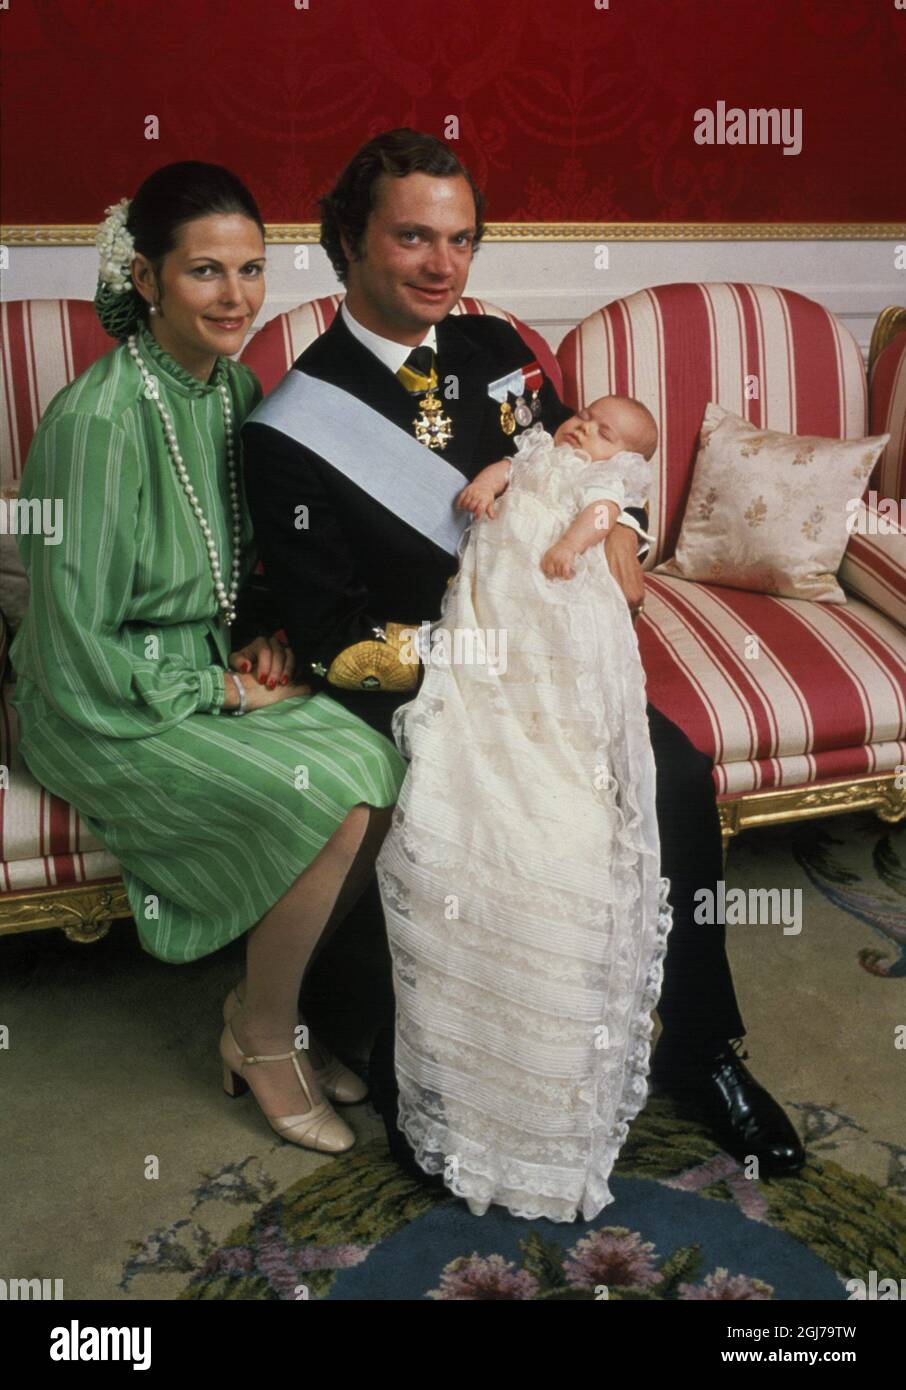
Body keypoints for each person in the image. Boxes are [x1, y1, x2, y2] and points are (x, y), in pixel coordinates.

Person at [242, 128, 805, 1186]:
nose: (441, 265)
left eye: (459, 240)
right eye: (412, 237)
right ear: (346, 245)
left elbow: (593, 473)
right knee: (493, 818)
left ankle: (698, 1046)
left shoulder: (498, 347)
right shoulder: (289, 425)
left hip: (550, 649)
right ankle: (445, 1070)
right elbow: (333, 640)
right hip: (435, 673)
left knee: (673, 774)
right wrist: (484, 662)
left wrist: (624, 544)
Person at [9, 162, 407, 1157]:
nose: (236, 297)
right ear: (146, 281)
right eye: (204, 273)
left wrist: (255, 637)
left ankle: (271, 1006)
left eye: (252, 269)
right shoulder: (97, 422)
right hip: (94, 700)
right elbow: (72, 641)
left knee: (390, 757)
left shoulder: (233, 388)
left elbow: (238, 551)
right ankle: (264, 1037)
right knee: (343, 792)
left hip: (194, 665)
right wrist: (218, 687)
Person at [375, 397, 674, 1221]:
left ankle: (693, 1043)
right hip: (461, 601)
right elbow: (507, 468)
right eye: (588, 418)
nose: (585, 429)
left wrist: (595, 537)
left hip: (553, 595)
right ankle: (444, 1059)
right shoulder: (537, 446)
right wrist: (485, 482)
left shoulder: (501, 365)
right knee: (462, 798)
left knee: (620, 785)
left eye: (607, 431)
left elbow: (610, 511)